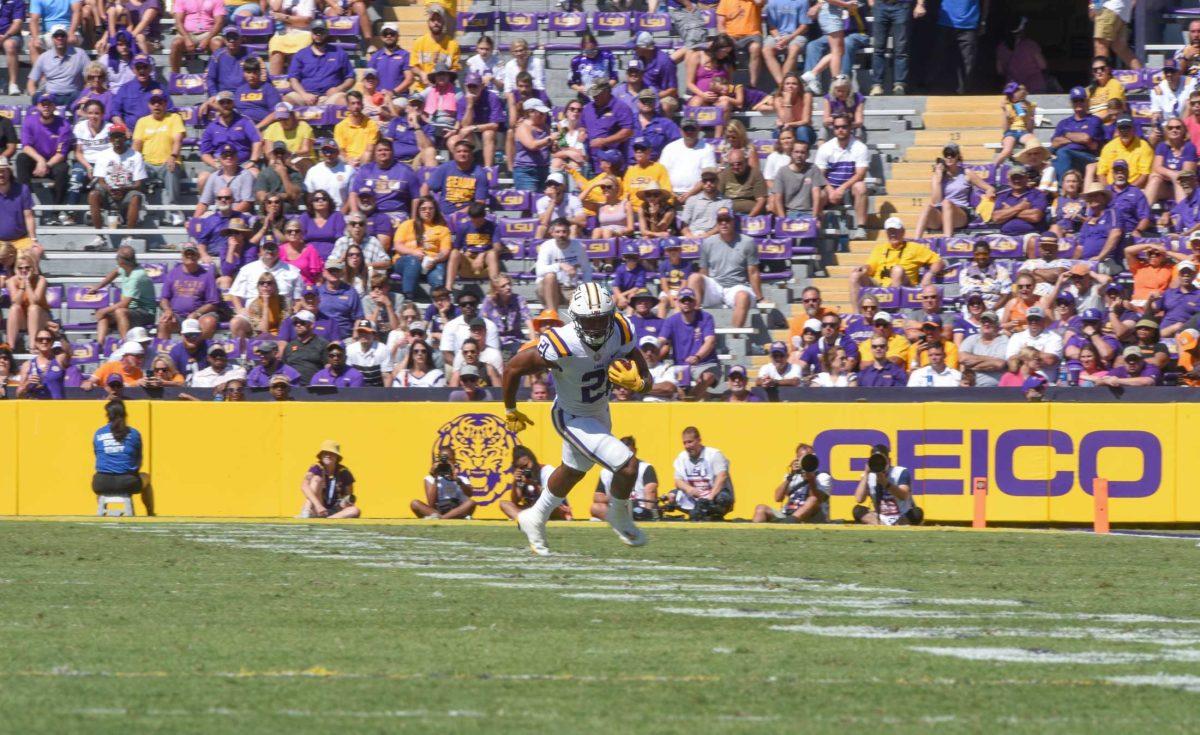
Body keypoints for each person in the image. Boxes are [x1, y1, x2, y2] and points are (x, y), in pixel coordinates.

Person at [501, 284, 650, 553]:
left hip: (599, 412)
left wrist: (640, 384)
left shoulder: (622, 330)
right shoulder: (560, 343)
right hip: (570, 416)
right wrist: (510, 409)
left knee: (572, 472)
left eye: (600, 320)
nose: (594, 327)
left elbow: (645, 374)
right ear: (575, 319)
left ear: (611, 316)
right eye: (587, 321)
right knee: (628, 466)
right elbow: (513, 367)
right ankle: (618, 515)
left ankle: (534, 517)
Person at [849, 217, 943, 306]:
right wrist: (864, 269)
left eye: (895, 231)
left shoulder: (915, 248)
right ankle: (857, 315)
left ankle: (893, 309)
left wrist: (929, 274)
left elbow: (939, 261)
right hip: (879, 284)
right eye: (890, 231)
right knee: (855, 276)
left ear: (903, 232)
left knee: (897, 270)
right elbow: (870, 267)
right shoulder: (879, 248)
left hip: (905, 286)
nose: (892, 234)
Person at [814, 113, 869, 239]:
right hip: (830, 188)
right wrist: (831, 190)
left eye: (844, 126)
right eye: (837, 127)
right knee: (818, 192)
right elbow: (819, 175)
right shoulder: (825, 148)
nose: (840, 130)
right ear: (833, 129)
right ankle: (816, 225)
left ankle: (861, 228)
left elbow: (860, 174)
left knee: (861, 187)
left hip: (849, 189)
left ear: (850, 127)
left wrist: (842, 189)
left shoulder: (860, 147)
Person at [658, 287, 719, 398]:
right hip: (681, 365)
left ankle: (690, 403)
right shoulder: (671, 321)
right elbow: (661, 340)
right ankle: (708, 397)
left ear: (695, 302)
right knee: (677, 389)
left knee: (707, 377)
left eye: (689, 300)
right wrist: (651, 349)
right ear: (678, 302)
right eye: (683, 300)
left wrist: (697, 357)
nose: (686, 303)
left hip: (705, 363)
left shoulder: (706, 318)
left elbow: (710, 341)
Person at [16, 93, 73, 212]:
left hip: (53, 162)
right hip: (35, 161)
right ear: (38, 106)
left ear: (54, 107)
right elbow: (26, 147)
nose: (46, 107)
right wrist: (40, 161)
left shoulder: (64, 125)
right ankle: (25, 202)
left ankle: (57, 210)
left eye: (49, 104)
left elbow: (61, 153)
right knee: (21, 158)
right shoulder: (29, 121)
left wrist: (46, 165)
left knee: (63, 168)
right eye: (43, 104)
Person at [752, 443, 831, 524]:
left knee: (813, 499)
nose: (807, 461)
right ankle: (756, 534)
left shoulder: (823, 477)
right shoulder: (792, 476)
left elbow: (818, 499)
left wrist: (811, 479)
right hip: (787, 514)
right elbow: (778, 498)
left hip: (812, 517)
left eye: (809, 457)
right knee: (760, 508)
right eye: (803, 458)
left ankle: (787, 524)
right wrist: (790, 476)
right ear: (797, 459)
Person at [668, 426, 733, 522]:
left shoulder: (714, 454)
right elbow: (678, 481)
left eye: (690, 442)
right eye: (684, 443)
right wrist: (689, 489)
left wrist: (710, 498)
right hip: (695, 496)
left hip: (713, 496)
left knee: (723, 498)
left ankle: (714, 516)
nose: (687, 446)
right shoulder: (682, 457)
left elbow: (722, 476)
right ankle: (695, 514)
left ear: (699, 440)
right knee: (672, 495)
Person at [159, 244, 221, 339]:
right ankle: (163, 351)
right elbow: (164, 298)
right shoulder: (172, 273)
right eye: (187, 254)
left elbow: (213, 303)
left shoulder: (207, 276)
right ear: (182, 256)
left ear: (198, 256)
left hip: (200, 316)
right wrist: (168, 311)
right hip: (177, 315)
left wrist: (196, 313)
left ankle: (200, 349)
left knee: (209, 321)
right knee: (164, 321)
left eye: (193, 254)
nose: (190, 256)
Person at [91, 400, 145, 503]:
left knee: (100, 482)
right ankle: (150, 513)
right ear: (125, 414)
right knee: (146, 477)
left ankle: (102, 515)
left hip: (101, 482)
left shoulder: (98, 433)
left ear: (107, 415)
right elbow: (139, 460)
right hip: (128, 482)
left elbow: (98, 456)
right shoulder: (134, 433)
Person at [853, 445, 921, 525]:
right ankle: (880, 524)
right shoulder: (869, 476)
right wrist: (866, 474)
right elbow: (859, 499)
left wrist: (886, 483)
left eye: (881, 461)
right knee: (857, 510)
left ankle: (896, 525)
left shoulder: (900, 473)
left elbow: (904, 496)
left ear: (888, 461)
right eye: (875, 461)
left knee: (917, 513)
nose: (879, 464)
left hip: (902, 516)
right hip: (880, 517)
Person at [1051, 87, 1106, 184]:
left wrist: (1066, 134)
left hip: (1087, 157)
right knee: (1051, 160)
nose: (1078, 103)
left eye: (1081, 100)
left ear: (1086, 102)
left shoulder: (1094, 120)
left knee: (1063, 153)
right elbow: (1055, 143)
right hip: (1066, 156)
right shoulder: (1064, 123)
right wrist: (1076, 138)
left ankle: (1062, 189)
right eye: (1075, 100)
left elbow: (1086, 139)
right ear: (1071, 103)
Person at [299, 440, 360, 519]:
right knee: (316, 479)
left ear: (337, 457)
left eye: (331, 453)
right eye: (325, 453)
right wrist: (318, 506)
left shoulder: (344, 472)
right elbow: (304, 486)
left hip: (335, 509)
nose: (327, 455)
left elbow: (349, 495)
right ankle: (306, 512)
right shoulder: (316, 467)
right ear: (321, 455)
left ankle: (329, 520)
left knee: (355, 510)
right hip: (317, 505)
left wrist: (346, 502)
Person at [412, 448, 476, 519]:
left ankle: (441, 518)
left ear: (454, 461)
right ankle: (446, 517)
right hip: (437, 510)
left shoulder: (462, 478)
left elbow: (470, 494)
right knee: (415, 503)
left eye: (449, 460)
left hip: (456, 509)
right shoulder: (430, 479)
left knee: (471, 503)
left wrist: (457, 480)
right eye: (442, 460)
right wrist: (436, 478)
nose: (446, 463)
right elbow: (431, 503)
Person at [409, 5, 460, 92]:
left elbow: (456, 69)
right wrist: (422, 74)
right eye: (432, 20)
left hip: (445, 89)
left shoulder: (453, 44)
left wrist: (444, 79)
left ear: (444, 22)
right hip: (422, 89)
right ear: (428, 22)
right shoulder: (419, 42)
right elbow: (413, 66)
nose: (436, 23)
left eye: (439, 20)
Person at [958, 311, 1008, 386]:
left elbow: (999, 364)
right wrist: (991, 359)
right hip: (971, 388)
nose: (986, 324)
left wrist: (971, 366)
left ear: (997, 325)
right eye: (983, 321)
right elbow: (962, 358)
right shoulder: (971, 339)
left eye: (990, 322)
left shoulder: (1003, 339)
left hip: (996, 389)